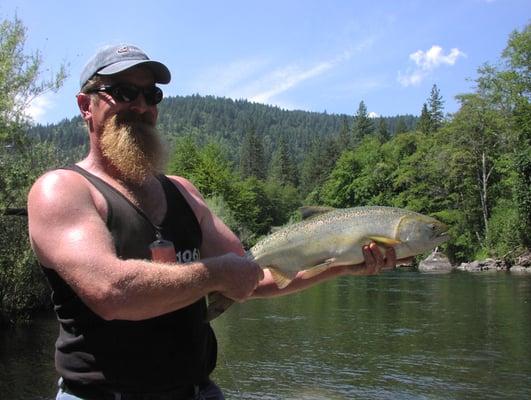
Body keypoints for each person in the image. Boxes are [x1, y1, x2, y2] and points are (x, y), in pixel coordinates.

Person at [27, 44, 400, 400]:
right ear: (84, 105)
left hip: (197, 390)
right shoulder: (61, 190)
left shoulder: (183, 193)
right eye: (122, 92)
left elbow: (251, 277)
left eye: (151, 95)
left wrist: (342, 264)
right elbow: (111, 293)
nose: (140, 106)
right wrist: (216, 273)